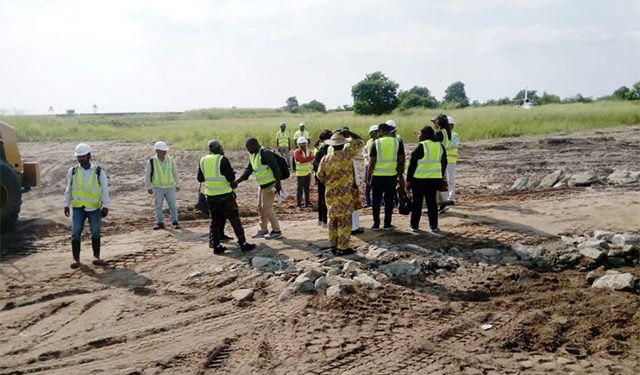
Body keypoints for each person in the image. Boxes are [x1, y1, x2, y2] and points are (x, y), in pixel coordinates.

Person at [198, 140, 255, 254]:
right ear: (219, 148)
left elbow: (200, 178)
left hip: (210, 195)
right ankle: (243, 243)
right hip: (225, 195)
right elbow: (230, 178)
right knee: (234, 220)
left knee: (215, 220)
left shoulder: (203, 160)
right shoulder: (222, 160)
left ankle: (216, 245)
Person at [316, 129, 364, 255]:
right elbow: (360, 142)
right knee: (345, 221)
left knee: (333, 221)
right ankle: (343, 247)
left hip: (330, 195)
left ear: (332, 145)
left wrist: (330, 182)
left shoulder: (325, 159)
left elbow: (320, 176)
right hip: (345, 195)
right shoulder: (347, 155)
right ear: (343, 144)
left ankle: (333, 245)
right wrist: (350, 132)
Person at [63, 143, 110, 269]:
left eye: (83, 156)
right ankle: (76, 259)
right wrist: (66, 204)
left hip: (94, 208)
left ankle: (96, 256)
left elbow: (105, 190)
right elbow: (69, 189)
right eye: (79, 157)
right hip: (78, 207)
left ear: (89, 156)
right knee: (75, 232)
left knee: (95, 232)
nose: (80, 159)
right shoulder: (72, 171)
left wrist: (105, 205)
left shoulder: (99, 171)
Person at [234, 137, 283, 239]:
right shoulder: (253, 155)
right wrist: (237, 182)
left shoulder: (265, 153)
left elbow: (276, 169)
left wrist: (278, 185)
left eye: (248, 147)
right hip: (262, 186)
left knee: (267, 207)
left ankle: (277, 231)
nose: (247, 150)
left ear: (254, 145)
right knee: (260, 207)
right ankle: (264, 229)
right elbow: (248, 171)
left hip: (271, 185)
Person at [406, 126, 447, 233]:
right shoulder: (440, 146)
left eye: (419, 134)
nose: (418, 136)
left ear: (424, 135)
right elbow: (444, 163)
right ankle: (434, 226)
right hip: (434, 180)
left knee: (417, 203)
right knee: (432, 203)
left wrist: (408, 180)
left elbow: (412, 165)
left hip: (419, 180)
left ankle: (414, 226)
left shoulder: (422, 146)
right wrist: (441, 177)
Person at [367, 123, 405, 231]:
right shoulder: (397, 142)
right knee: (389, 200)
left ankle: (376, 224)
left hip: (377, 176)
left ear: (382, 131)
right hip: (391, 176)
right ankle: (387, 224)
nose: (377, 134)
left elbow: (371, 162)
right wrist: (400, 175)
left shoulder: (376, 143)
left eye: (378, 132)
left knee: (376, 201)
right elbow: (401, 160)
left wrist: (369, 177)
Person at [144, 141, 180, 230]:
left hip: (169, 187)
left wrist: (177, 184)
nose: (165, 152)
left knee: (172, 205)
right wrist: (148, 187)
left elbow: (175, 173)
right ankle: (160, 223)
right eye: (162, 151)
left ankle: (175, 222)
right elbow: (147, 175)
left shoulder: (170, 160)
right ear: (157, 151)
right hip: (158, 187)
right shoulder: (152, 161)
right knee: (158, 206)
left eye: (165, 151)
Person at [312, 129, 333, 228]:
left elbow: (315, 163)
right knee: (326, 199)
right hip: (325, 176)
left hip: (319, 175)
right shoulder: (327, 147)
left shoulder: (319, 146)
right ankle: (326, 221)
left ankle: (322, 220)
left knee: (321, 198)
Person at [439, 115, 459, 207]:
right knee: (445, 180)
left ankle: (450, 198)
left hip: (450, 161)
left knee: (450, 180)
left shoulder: (454, 135)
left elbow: (449, 145)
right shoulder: (445, 134)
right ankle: (445, 198)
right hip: (444, 161)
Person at [292, 136, 314, 210]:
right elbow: (301, 160)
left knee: (307, 189)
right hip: (300, 174)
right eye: (302, 144)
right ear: (298, 144)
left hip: (308, 172)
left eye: (304, 143)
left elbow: (312, 157)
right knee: (300, 189)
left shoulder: (309, 150)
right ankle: (298, 204)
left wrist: (306, 159)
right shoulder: (296, 152)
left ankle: (307, 202)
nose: (303, 145)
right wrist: (308, 159)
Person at [363, 124, 379, 208]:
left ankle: (376, 201)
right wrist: (366, 156)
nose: (372, 134)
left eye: (374, 132)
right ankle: (367, 201)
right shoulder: (369, 142)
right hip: (368, 164)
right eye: (372, 132)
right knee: (368, 183)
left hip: (376, 165)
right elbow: (365, 150)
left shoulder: (379, 142)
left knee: (376, 184)